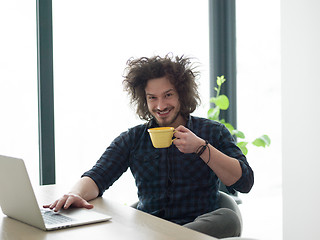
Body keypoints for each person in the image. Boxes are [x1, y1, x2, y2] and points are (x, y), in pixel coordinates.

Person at [44, 54, 254, 238]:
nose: (160, 106)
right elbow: (97, 176)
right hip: (149, 228)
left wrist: (201, 148)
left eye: (168, 95)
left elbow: (244, 182)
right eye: (152, 98)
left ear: (182, 93)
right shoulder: (133, 138)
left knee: (228, 218)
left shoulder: (211, 132)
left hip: (198, 227)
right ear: (144, 100)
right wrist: (75, 194)